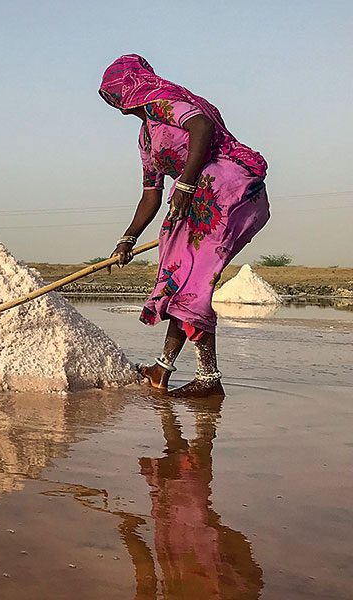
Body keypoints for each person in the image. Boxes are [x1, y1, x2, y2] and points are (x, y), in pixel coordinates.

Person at [99, 54, 270, 397]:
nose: (115, 102)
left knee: (191, 282)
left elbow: (202, 127)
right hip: (197, 195)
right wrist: (127, 239)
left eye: (115, 93)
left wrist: (187, 185)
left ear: (129, 86)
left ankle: (208, 379)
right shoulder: (146, 138)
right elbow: (150, 195)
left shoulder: (164, 103)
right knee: (179, 279)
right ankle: (162, 369)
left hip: (225, 189)